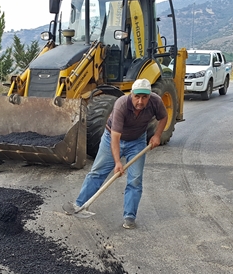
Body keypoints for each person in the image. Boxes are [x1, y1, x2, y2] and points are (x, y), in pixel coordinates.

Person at [64, 78, 168, 229]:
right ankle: (79, 204)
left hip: (138, 142)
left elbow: (163, 117)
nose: (140, 101)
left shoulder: (155, 102)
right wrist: (118, 162)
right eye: (137, 96)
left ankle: (129, 216)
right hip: (112, 138)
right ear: (131, 94)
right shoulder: (121, 104)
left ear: (149, 96)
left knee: (135, 180)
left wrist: (157, 135)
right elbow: (115, 137)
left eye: (144, 97)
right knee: (97, 172)